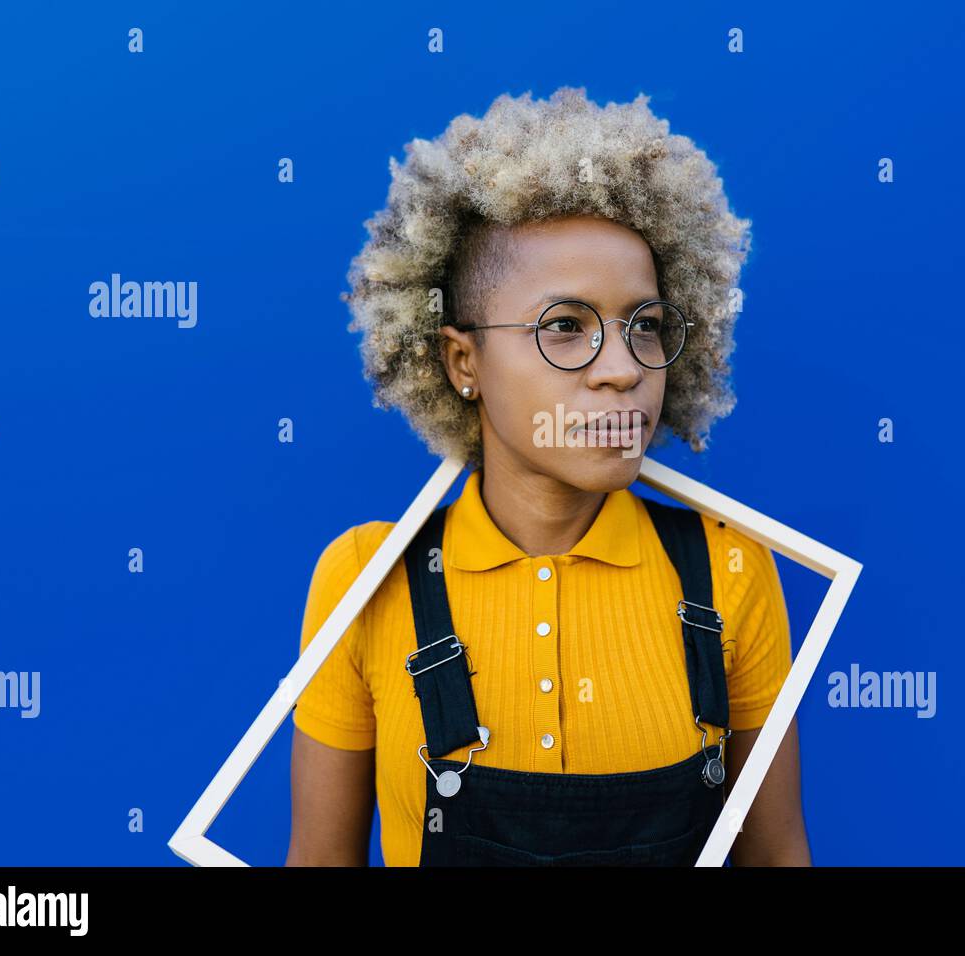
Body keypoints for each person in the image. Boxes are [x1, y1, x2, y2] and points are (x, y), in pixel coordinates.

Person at [285, 86, 810, 866]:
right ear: (466, 361)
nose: (623, 370)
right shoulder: (365, 579)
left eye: (646, 326)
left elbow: (777, 857)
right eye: (566, 327)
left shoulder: (730, 570)